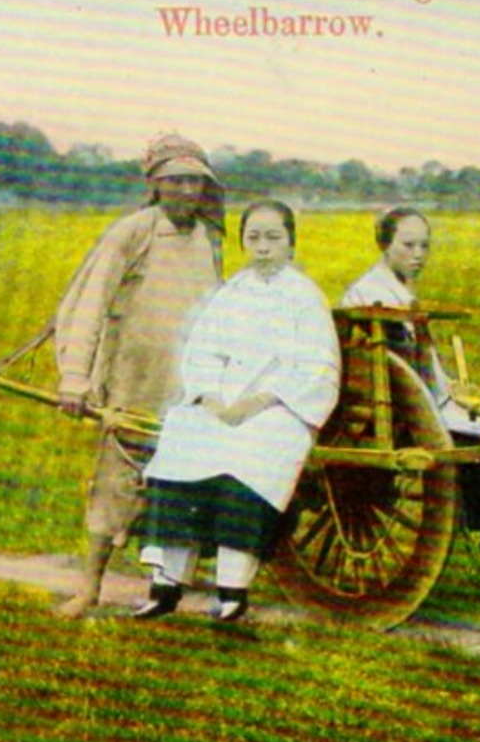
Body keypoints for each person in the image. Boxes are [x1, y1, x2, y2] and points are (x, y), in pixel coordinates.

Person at [132, 200, 341, 623]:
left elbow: (318, 366)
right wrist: (210, 398)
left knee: (252, 453)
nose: (263, 248)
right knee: (184, 435)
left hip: (277, 406)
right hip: (221, 402)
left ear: (291, 243)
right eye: (254, 238)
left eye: (273, 238)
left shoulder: (304, 296)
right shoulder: (232, 293)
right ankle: (166, 584)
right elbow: (202, 351)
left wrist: (256, 403)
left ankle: (233, 590)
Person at [50, 133, 225, 617]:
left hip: (188, 387)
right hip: (133, 382)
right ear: (154, 183)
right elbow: (91, 304)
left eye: (195, 180)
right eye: (176, 180)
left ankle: (163, 588)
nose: (188, 190)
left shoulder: (208, 239)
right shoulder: (132, 232)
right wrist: (75, 379)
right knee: (117, 482)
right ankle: (90, 588)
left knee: (177, 485)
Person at [341, 207, 480, 559]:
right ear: (384, 245)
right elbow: (393, 371)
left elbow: (422, 362)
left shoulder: (400, 290)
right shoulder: (370, 294)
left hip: (424, 399)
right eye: (408, 245)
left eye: (424, 246)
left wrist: (452, 388)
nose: (418, 255)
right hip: (395, 410)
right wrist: (444, 396)